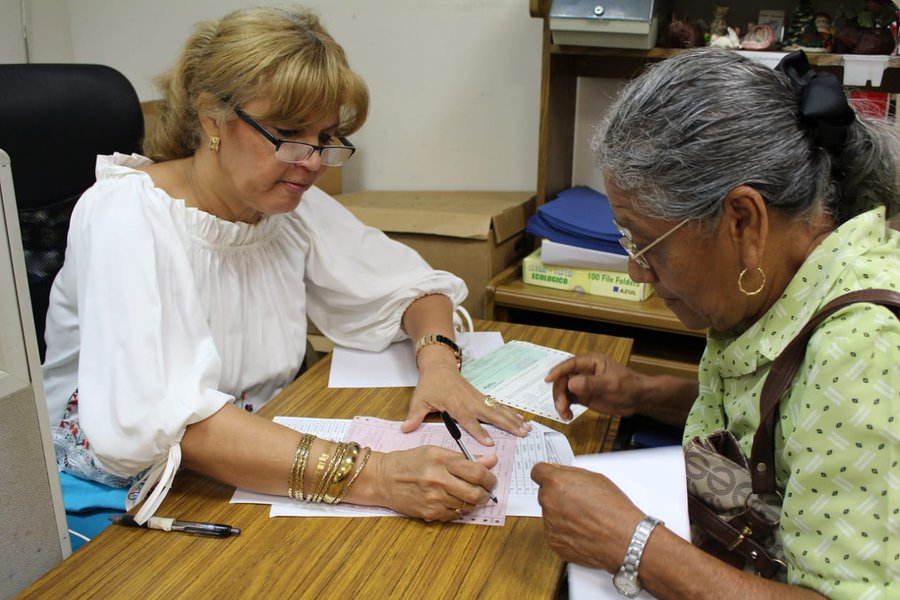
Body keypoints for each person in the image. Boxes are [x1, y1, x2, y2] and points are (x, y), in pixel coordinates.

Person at [42, 5, 530, 525]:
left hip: (254, 461)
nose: (314, 161)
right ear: (212, 116)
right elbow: (163, 424)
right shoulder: (128, 213)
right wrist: (380, 476)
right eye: (291, 132)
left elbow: (413, 289)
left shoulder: (283, 203)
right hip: (126, 492)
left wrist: (439, 366)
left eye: (325, 138)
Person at [531, 48, 899, 598]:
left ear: (744, 221)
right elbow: (784, 429)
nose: (637, 271)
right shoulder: (790, 274)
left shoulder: (863, 351)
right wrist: (640, 393)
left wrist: (631, 544)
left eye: (645, 242)